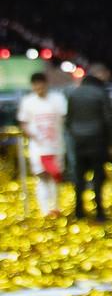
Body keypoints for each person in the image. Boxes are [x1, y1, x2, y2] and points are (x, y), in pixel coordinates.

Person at [65, 63, 112, 222]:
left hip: (79, 140)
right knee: (98, 176)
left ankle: (79, 210)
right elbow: (109, 119)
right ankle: (99, 210)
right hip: (97, 140)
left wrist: (75, 134)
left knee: (79, 176)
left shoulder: (74, 94)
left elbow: (68, 119)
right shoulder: (101, 93)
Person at [17, 71, 68, 217]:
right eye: (36, 86)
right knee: (42, 176)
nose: (38, 88)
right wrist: (33, 135)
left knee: (55, 176)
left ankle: (55, 207)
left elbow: (64, 118)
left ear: (46, 84)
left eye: (41, 85)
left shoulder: (58, 99)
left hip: (56, 146)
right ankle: (45, 210)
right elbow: (23, 123)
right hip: (38, 148)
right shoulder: (28, 101)